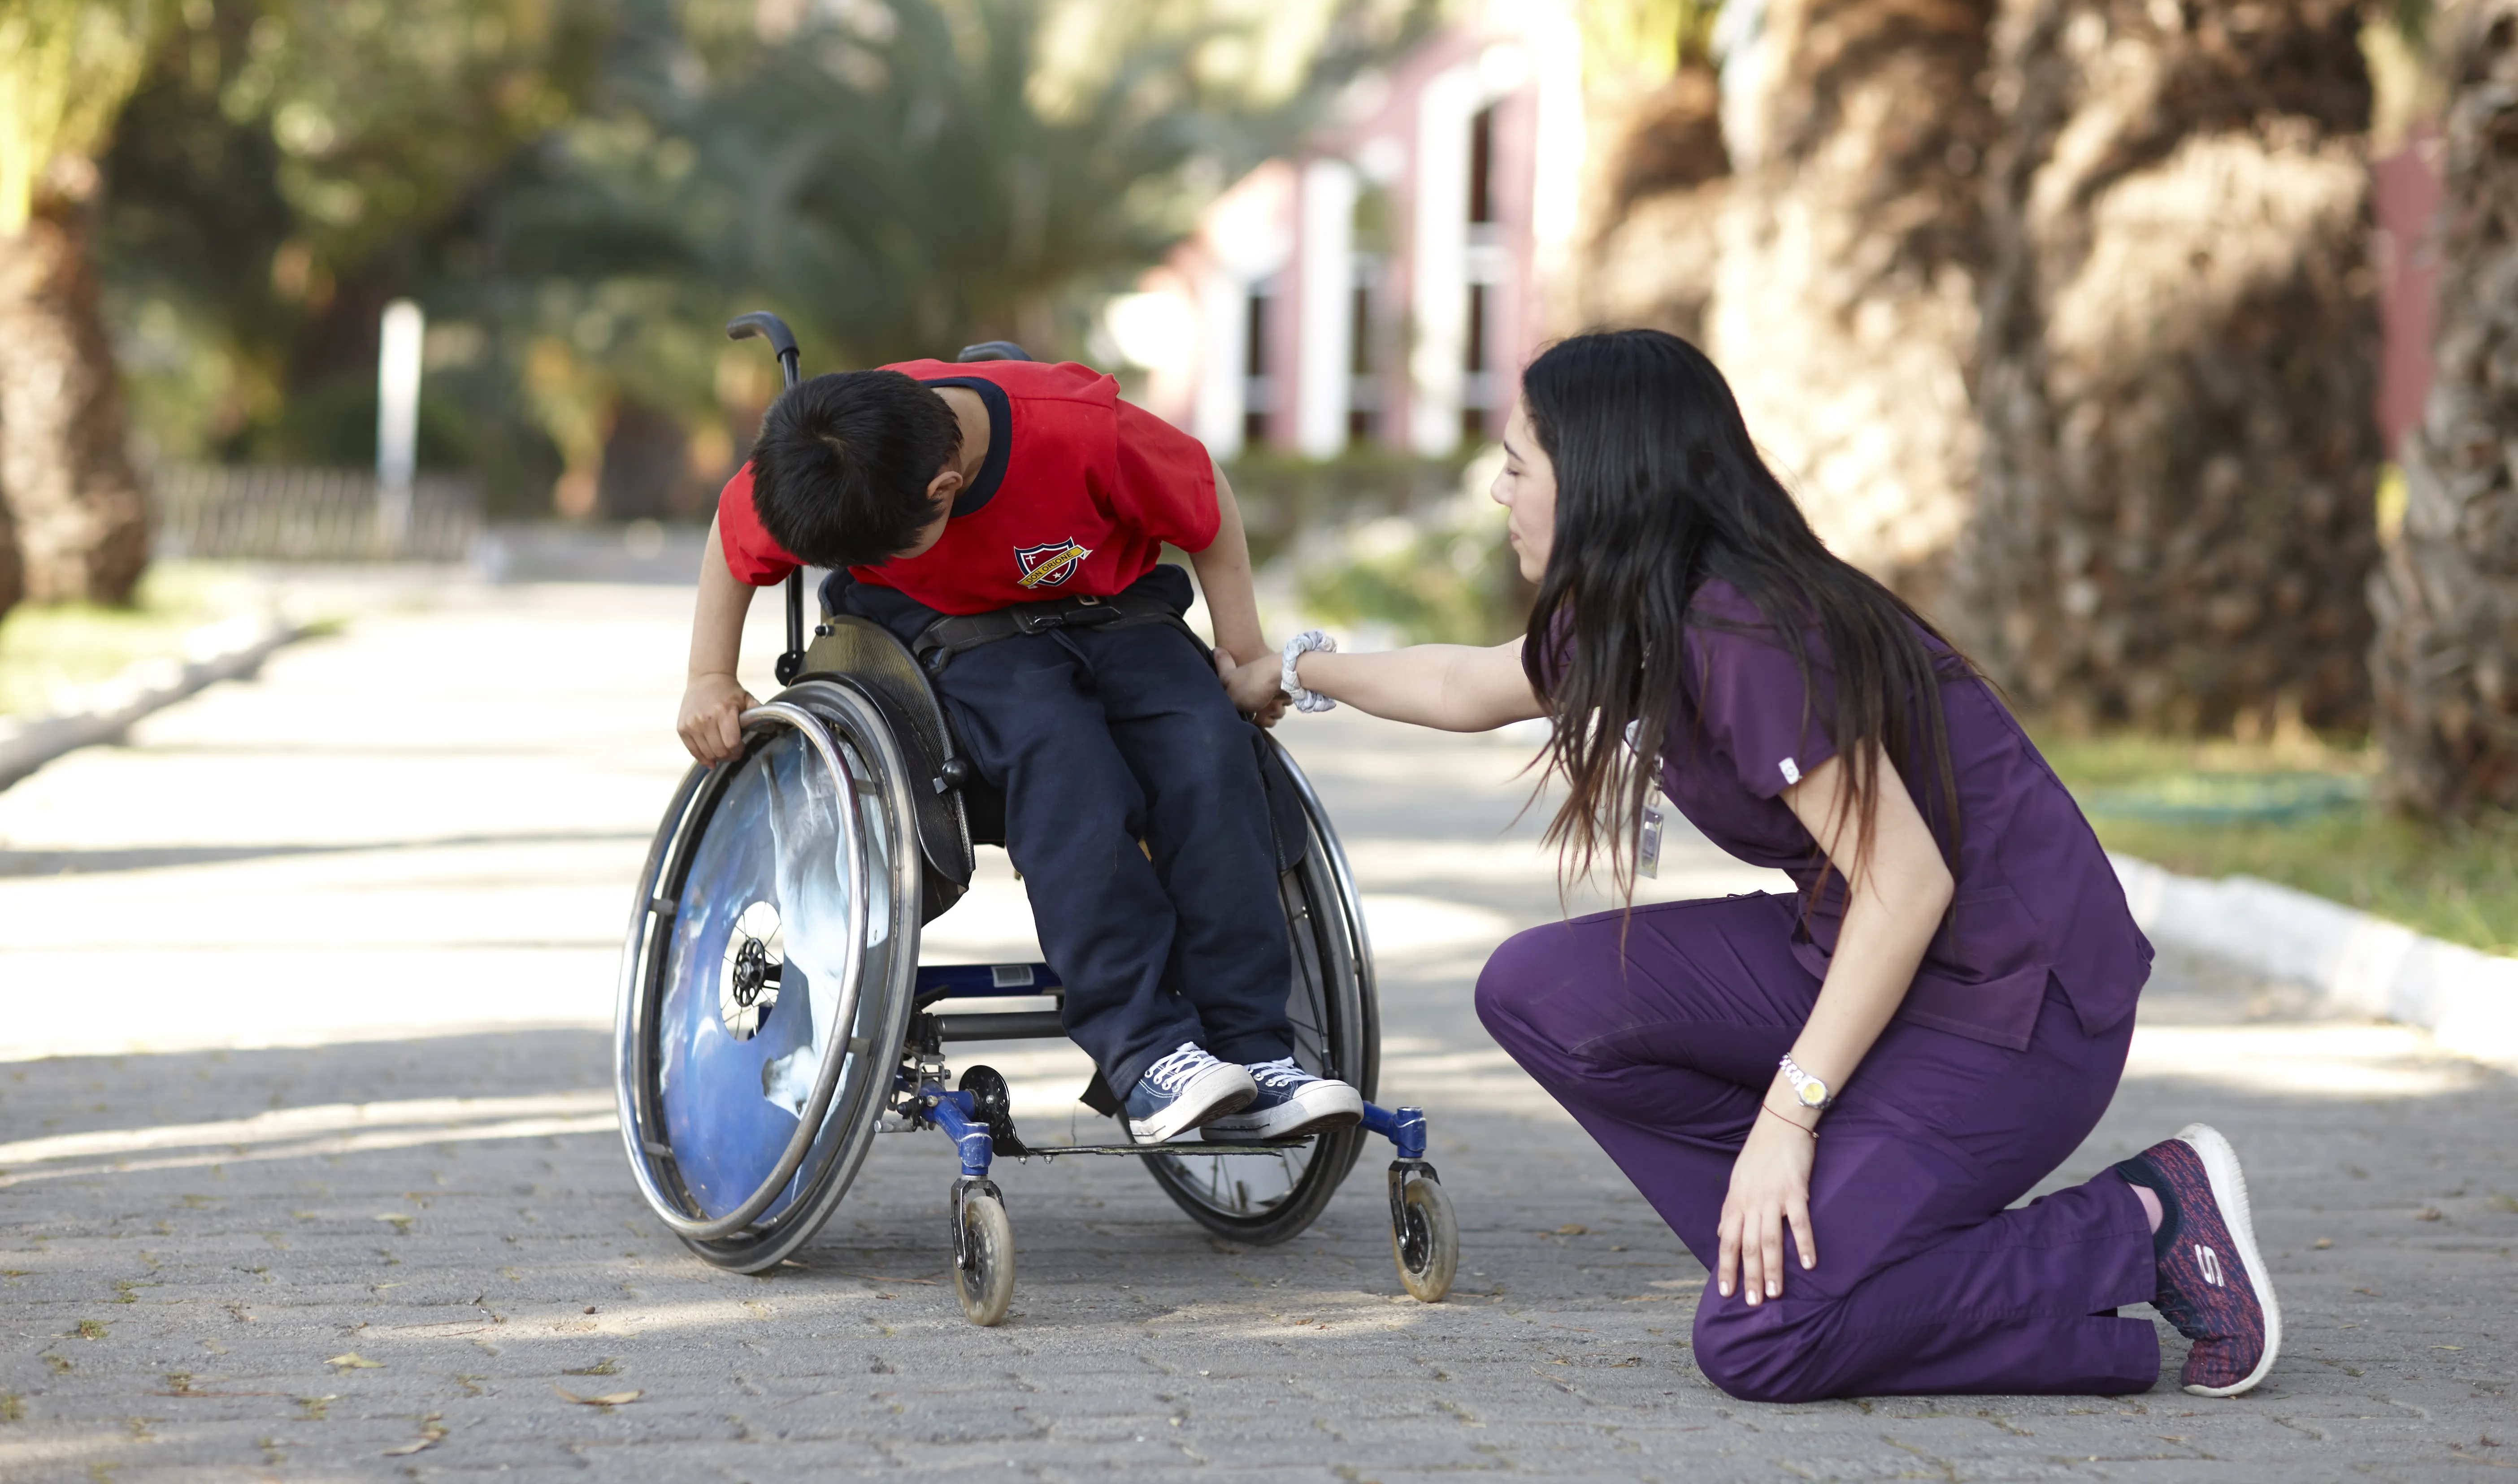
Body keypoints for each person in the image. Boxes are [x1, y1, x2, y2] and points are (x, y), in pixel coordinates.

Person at [1236, 330, 2278, 1402]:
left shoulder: (1744, 632)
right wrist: (1293, 671)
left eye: (1517, 466)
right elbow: (1468, 685)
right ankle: (1825, 1260)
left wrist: (1790, 1116)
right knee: (1539, 993)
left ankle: (2145, 1223)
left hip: (2015, 1007)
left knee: (1760, 1346)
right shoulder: (1640, 611)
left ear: (1599, 481)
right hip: (1872, 965)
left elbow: (1908, 885)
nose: (1501, 494)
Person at [679, 353, 1359, 1146]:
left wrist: (1242, 651)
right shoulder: (819, 456)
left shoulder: (1081, 432)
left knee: (1210, 747)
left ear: (945, 489)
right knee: (1067, 759)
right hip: (946, 635)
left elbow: (1205, 503)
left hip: (1113, 612)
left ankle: (1255, 1048)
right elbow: (735, 539)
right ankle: (1147, 1051)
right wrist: (708, 675)